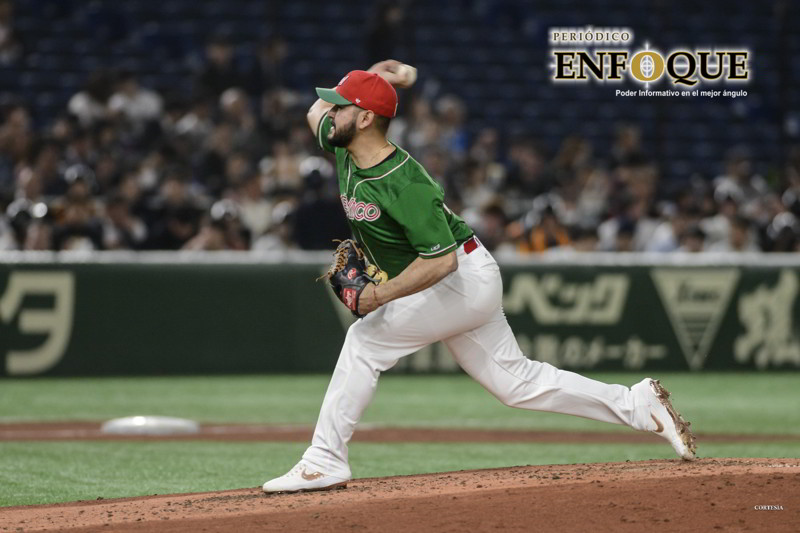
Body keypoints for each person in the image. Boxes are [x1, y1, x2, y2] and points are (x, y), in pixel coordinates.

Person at [262, 60, 696, 493]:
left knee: (364, 342)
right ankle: (636, 405)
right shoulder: (343, 145)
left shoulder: (406, 183)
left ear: (364, 119)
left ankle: (323, 460)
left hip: (460, 279)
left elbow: (441, 262)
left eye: (342, 106)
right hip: (461, 277)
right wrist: (372, 76)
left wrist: (379, 296)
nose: (331, 112)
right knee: (516, 384)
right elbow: (314, 112)